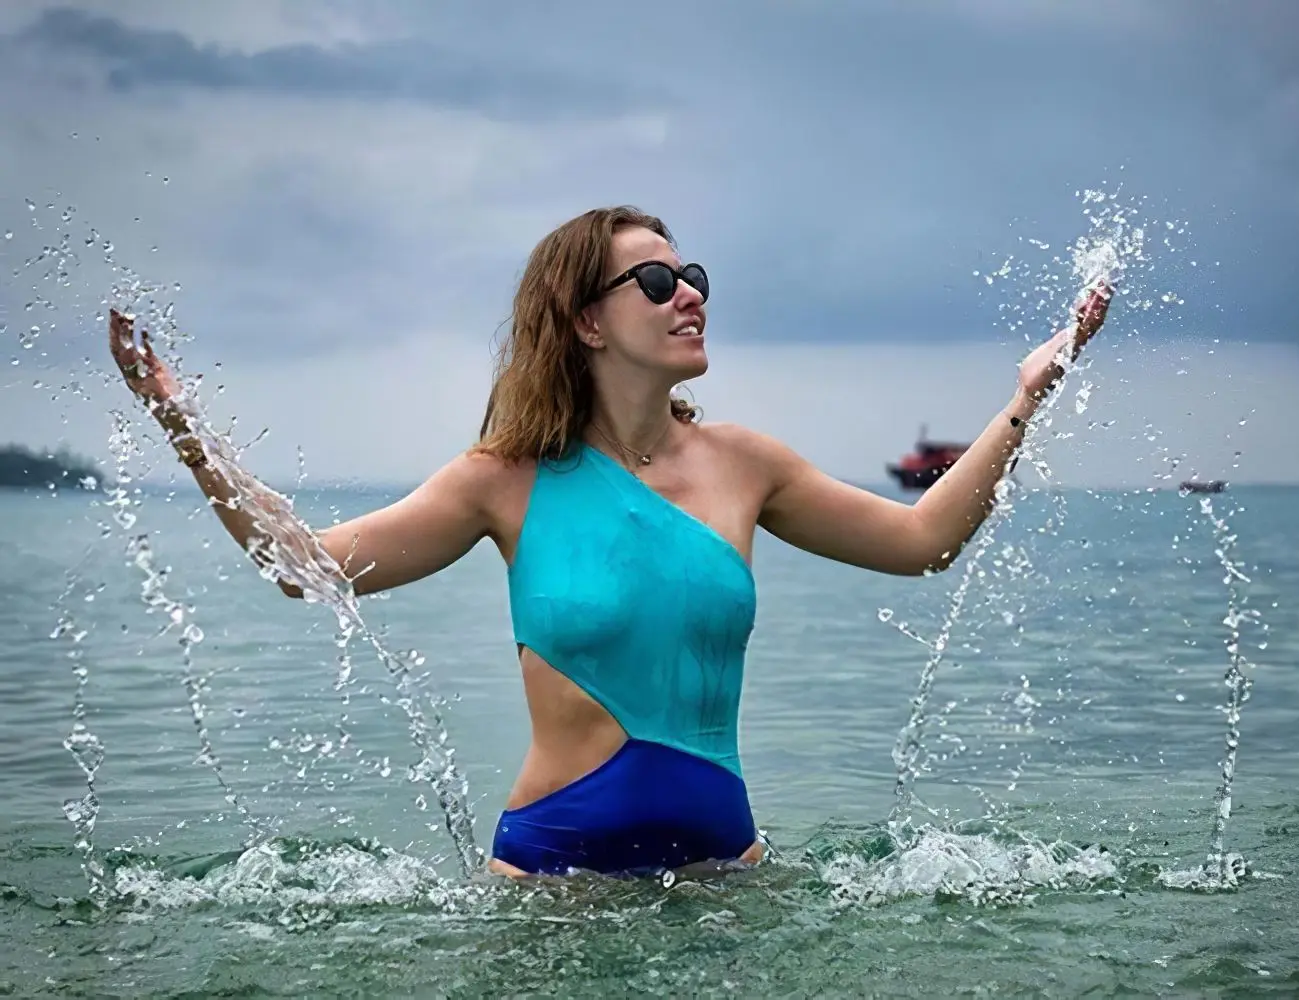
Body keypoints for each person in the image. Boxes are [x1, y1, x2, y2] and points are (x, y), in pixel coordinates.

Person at [108, 205, 1113, 878]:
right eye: (657, 280)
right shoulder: (501, 478)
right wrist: (183, 429)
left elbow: (922, 540)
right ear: (586, 322)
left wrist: (1028, 398)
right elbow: (310, 568)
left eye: (693, 275)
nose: (690, 294)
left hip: (726, 879)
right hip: (547, 888)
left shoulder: (746, 465)